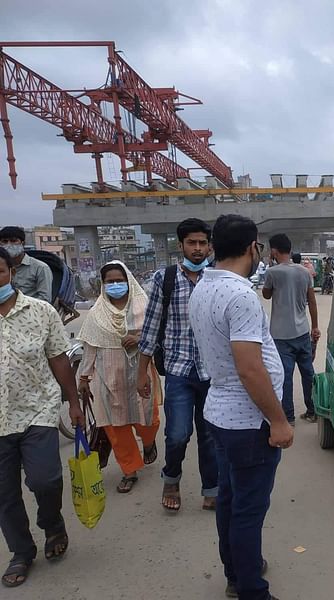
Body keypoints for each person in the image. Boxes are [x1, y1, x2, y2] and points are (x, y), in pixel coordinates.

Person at [189, 214, 292, 600]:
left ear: (213, 247)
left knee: (230, 501)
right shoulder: (241, 295)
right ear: (253, 248)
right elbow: (250, 368)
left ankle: (237, 571)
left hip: (220, 413)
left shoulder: (203, 287)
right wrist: (278, 420)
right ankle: (252, 590)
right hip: (249, 422)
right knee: (248, 510)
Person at [0, 247, 84, 588]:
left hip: (37, 410)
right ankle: (21, 551)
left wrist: (74, 404)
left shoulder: (40, 311)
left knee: (45, 480)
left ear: (10, 273)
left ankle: (52, 524)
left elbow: (59, 359)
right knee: (5, 495)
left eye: (0, 271)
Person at [137, 218, 217, 512]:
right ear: (181, 245)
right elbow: (151, 326)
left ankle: (212, 488)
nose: (197, 249)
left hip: (212, 373)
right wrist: (141, 372)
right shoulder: (165, 278)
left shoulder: (218, 278)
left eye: (202, 243)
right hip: (179, 371)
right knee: (178, 434)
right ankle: (171, 478)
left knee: (210, 436)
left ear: (209, 246)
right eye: (191, 243)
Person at [77, 261, 161, 494]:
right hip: (107, 377)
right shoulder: (97, 313)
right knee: (116, 427)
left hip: (140, 373)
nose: (115, 285)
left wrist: (139, 338)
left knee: (149, 420)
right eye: (110, 282)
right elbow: (90, 347)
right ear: (103, 285)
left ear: (129, 281)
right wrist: (84, 378)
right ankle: (129, 470)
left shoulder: (145, 306)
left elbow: (158, 333)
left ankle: (148, 442)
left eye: (119, 281)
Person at [263, 234, 321, 425]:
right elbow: (312, 301)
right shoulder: (304, 272)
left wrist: (270, 266)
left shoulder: (273, 272)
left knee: (285, 377)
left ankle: (289, 417)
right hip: (302, 331)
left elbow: (266, 294)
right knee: (308, 372)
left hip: (281, 335)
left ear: (274, 251)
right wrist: (314, 326)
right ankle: (312, 410)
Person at [0, 226, 52, 302]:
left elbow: (45, 298)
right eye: (5, 241)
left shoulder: (40, 267)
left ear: (23, 243)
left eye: (13, 241)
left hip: (32, 311)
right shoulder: (2, 267)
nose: (9, 244)